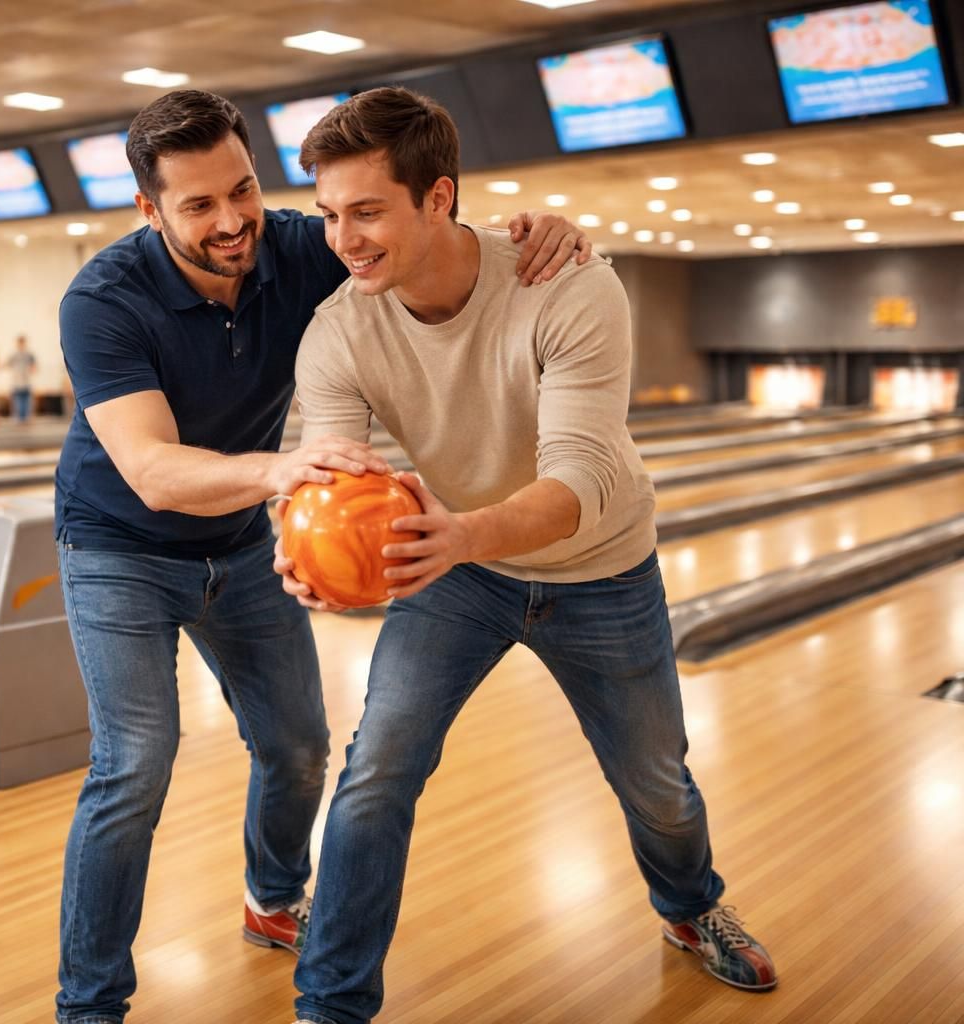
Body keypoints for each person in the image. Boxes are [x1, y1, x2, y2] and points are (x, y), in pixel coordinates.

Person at [50, 88, 587, 1024]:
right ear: (148, 210)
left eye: (243, 190)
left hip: (241, 546)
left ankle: (271, 897)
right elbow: (152, 471)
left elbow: (421, 231)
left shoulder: (298, 249)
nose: (233, 222)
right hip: (119, 547)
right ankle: (89, 1005)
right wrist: (284, 467)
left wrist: (545, 229)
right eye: (199, 205)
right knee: (133, 765)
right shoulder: (103, 299)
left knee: (297, 747)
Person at [278, 89, 776, 1024]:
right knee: (376, 769)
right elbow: (328, 477)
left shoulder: (570, 284)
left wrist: (463, 533)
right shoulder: (338, 331)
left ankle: (690, 906)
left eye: (367, 210)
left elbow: (581, 479)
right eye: (330, 215)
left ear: (438, 198)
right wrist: (300, 544)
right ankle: (331, 1005)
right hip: (461, 574)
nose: (344, 238)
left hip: (601, 568)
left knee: (657, 784)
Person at [6, 334, 37, 423]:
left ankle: (26, 418)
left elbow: (34, 367)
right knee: (17, 402)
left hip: (26, 381)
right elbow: (6, 364)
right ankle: (19, 418)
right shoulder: (14, 355)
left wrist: (31, 370)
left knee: (26, 402)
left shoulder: (29, 355)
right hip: (16, 382)